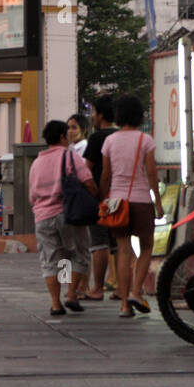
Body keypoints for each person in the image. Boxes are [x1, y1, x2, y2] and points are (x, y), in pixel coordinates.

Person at [100, 94, 163, 319]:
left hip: (117, 202)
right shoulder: (145, 140)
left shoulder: (110, 141)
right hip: (141, 201)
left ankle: (125, 304)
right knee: (146, 248)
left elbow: (106, 175)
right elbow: (152, 173)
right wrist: (158, 201)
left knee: (124, 251)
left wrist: (103, 199)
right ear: (139, 114)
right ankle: (137, 291)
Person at [29, 119, 98, 316]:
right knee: (79, 254)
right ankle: (71, 294)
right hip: (67, 214)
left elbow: (31, 196)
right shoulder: (69, 157)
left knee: (52, 260)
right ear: (62, 137)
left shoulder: (36, 163)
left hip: (42, 217)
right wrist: (96, 198)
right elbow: (88, 181)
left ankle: (55, 303)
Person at [80, 97, 118, 301]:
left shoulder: (97, 138)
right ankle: (121, 287)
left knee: (99, 243)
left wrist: (92, 192)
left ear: (101, 115)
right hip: (121, 195)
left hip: (101, 196)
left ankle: (96, 288)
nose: (92, 116)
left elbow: (88, 170)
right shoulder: (121, 135)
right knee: (119, 243)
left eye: (93, 112)